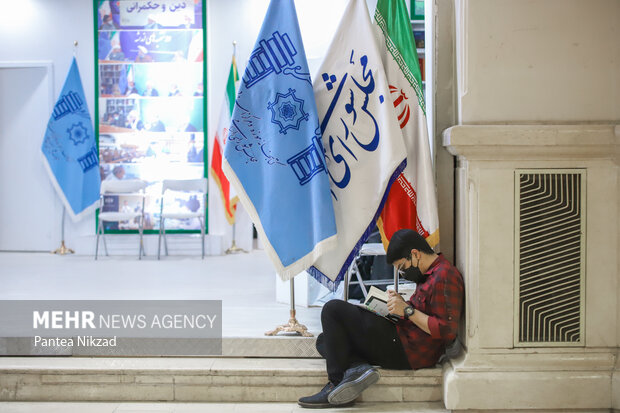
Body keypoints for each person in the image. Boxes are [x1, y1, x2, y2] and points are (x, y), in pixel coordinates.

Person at [298, 229, 464, 408]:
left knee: (333, 309)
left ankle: (336, 384)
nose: (403, 274)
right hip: (402, 337)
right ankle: (357, 369)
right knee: (326, 341)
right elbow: (423, 310)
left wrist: (407, 310)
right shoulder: (430, 274)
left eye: (402, 267)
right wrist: (400, 304)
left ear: (415, 254)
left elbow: (447, 331)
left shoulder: (444, 276)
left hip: (408, 351)